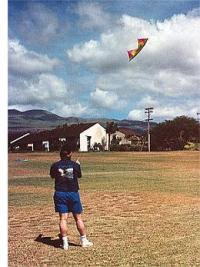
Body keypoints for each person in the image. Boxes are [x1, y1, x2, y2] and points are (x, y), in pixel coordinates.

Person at [50, 144, 93, 250]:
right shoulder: (75, 165)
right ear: (70, 154)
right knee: (78, 218)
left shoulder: (55, 165)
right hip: (73, 193)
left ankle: (65, 243)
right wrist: (77, 166)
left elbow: (53, 176)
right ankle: (83, 240)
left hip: (60, 193)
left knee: (63, 219)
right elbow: (79, 175)